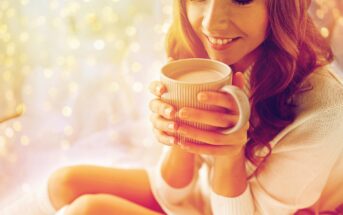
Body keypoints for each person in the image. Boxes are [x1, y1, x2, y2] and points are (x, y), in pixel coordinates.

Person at [43, 0, 343, 214]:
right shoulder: (207, 54)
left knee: (86, 210)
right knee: (62, 183)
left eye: (241, 0)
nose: (211, 23)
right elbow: (172, 194)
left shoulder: (326, 110)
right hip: (205, 198)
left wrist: (229, 153)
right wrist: (178, 136)